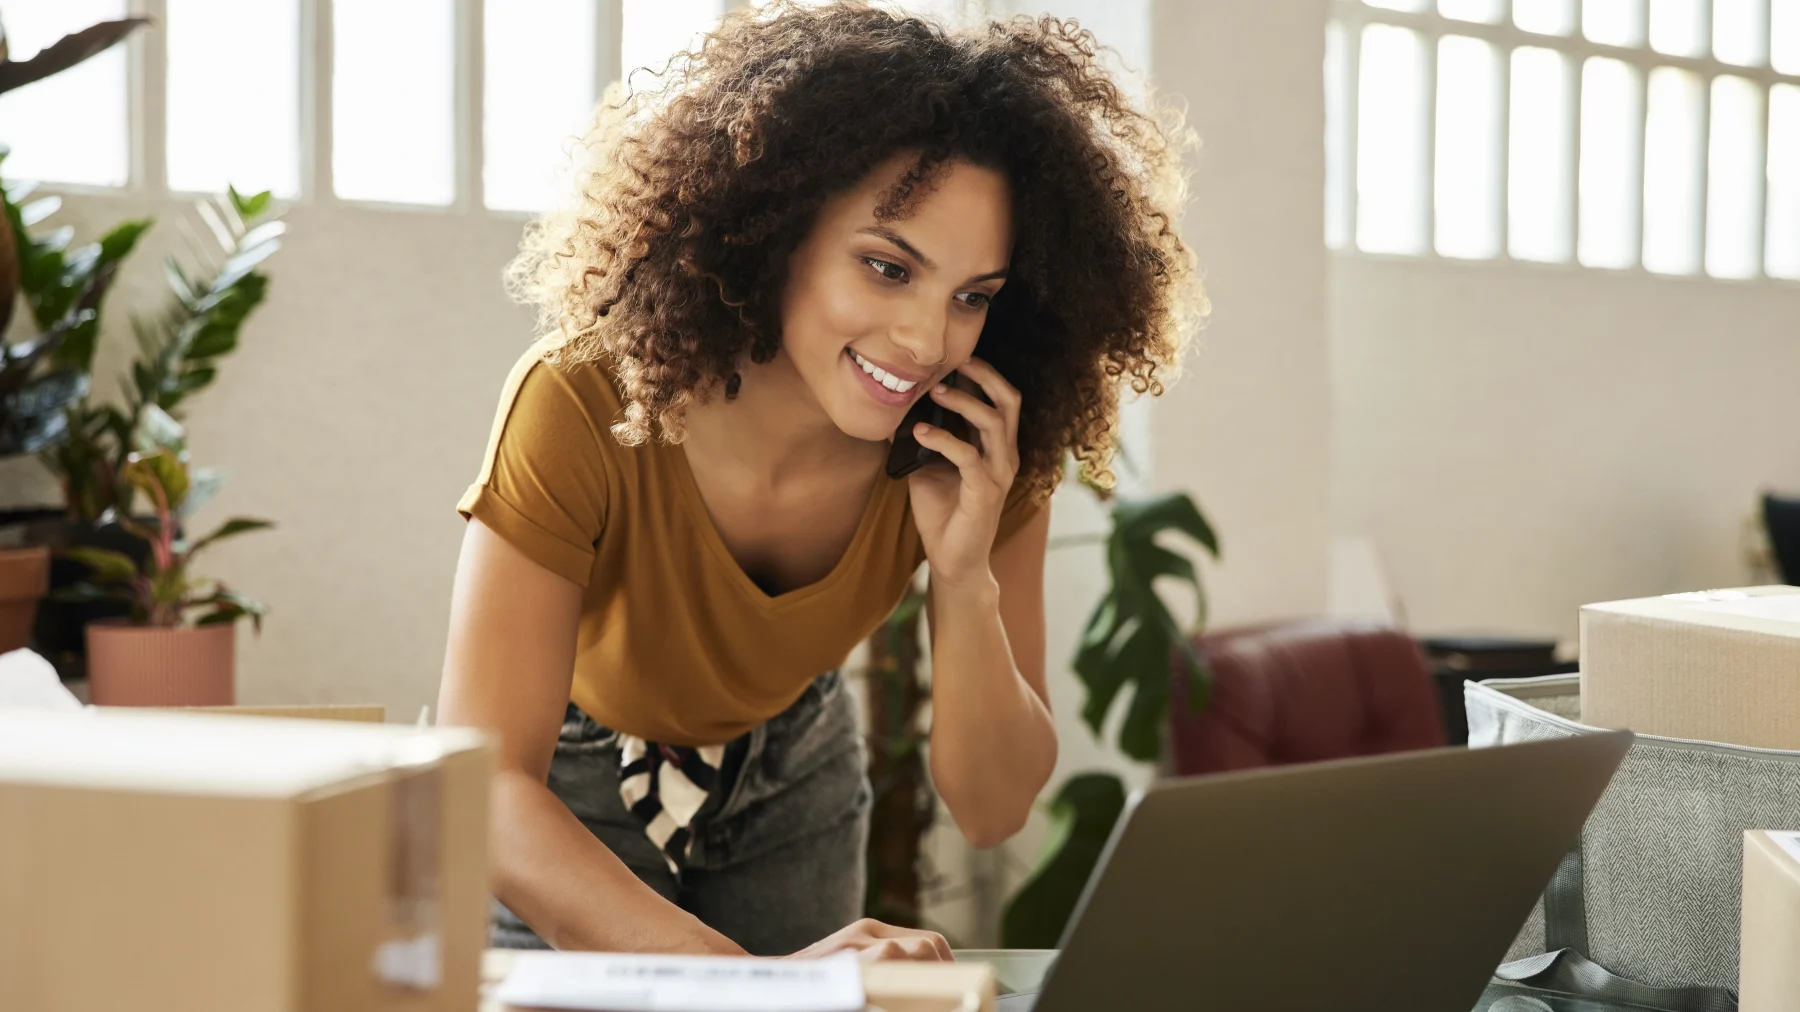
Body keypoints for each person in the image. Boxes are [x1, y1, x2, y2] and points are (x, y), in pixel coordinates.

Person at [437, 0, 1200, 961]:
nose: (926, 339)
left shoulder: (978, 447)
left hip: (794, 770)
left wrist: (964, 575)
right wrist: (753, 987)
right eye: (887, 268)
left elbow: (993, 809)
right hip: (563, 791)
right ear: (775, 229)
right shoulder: (583, 400)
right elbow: (490, 784)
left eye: (972, 296)